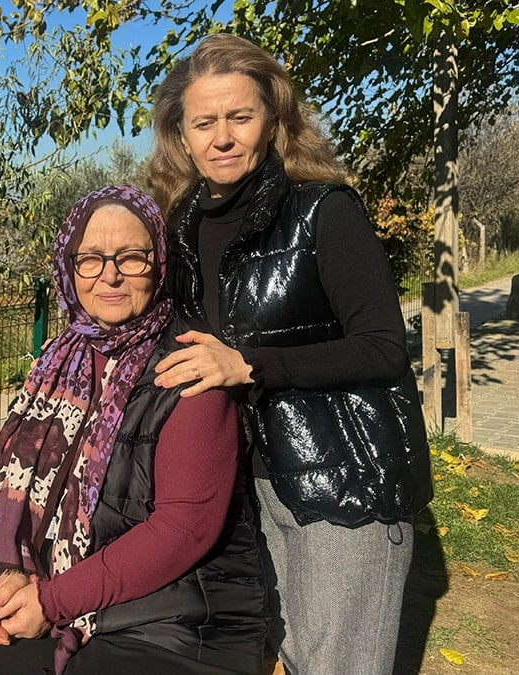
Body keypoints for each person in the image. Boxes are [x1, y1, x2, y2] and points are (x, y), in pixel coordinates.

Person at [147, 33, 433, 675]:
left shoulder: (324, 211)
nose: (223, 137)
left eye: (240, 117)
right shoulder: (180, 227)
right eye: (204, 122)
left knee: (340, 663)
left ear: (273, 122)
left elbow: (384, 348)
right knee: (292, 655)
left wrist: (250, 364)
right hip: (246, 482)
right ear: (181, 137)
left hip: (342, 478)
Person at [0, 185, 269, 675]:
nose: (110, 275)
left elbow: (182, 531)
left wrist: (52, 601)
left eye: (131, 257)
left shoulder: (189, 367)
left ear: (159, 264)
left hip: (180, 620)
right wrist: (15, 574)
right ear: (69, 267)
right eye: (91, 259)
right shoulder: (58, 364)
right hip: (76, 595)